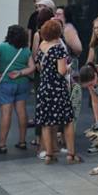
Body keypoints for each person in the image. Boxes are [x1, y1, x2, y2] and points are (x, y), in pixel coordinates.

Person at [35, 19, 78, 164]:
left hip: (44, 87)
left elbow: (40, 67)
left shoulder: (42, 45)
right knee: (67, 120)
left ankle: (49, 154)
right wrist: (69, 68)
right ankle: (71, 154)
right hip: (58, 88)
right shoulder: (59, 48)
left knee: (46, 122)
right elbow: (61, 71)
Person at [0, 25, 35, 153]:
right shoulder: (25, 49)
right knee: (22, 112)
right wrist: (20, 73)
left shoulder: (3, 47)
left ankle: (2, 144)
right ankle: (22, 141)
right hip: (22, 83)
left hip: (7, 83)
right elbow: (32, 67)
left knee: (6, 114)